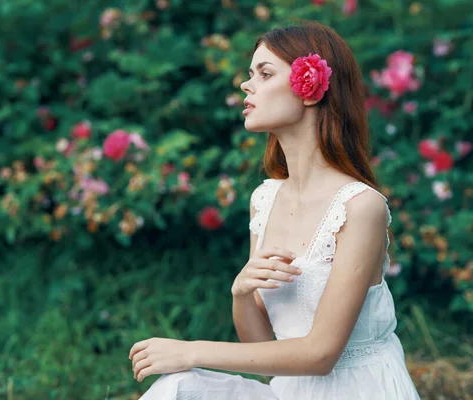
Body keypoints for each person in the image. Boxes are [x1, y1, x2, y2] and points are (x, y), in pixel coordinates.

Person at [129, 21, 421, 399]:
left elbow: (320, 354)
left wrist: (191, 351)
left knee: (184, 372)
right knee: (179, 387)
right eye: (250, 74)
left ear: (310, 89)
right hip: (288, 391)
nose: (246, 85)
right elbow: (261, 344)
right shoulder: (264, 198)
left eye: (265, 74)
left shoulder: (360, 206)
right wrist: (240, 293)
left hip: (358, 390)